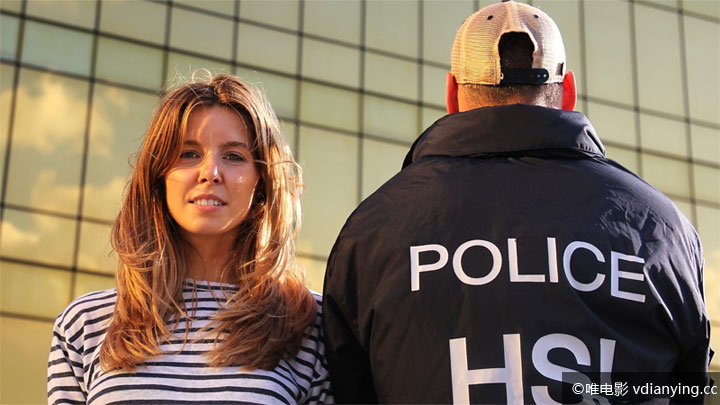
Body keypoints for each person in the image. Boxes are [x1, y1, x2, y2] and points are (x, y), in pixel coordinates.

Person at [322, 1, 711, 403]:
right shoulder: (662, 228)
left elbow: (348, 386)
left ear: (452, 94)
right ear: (568, 92)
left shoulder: (372, 231)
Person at [47, 73, 332, 403]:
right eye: (188, 153)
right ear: (158, 176)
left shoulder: (310, 324)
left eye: (234, 156)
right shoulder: (84, 324)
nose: (210, 172)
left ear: (262, 181)